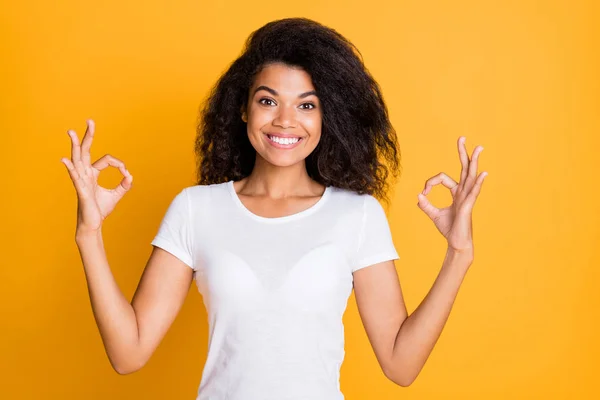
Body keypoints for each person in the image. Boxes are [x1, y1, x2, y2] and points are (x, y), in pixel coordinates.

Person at [61, 17, 487, 400]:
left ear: (327, 118)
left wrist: (458, 254)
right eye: (268, 101)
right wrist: (89, 234)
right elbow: (128, 353)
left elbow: (401, 364)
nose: (285, 120)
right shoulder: (196, 210)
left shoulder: (356, 215)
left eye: (306, 105)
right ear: (243, 110)